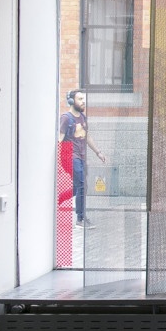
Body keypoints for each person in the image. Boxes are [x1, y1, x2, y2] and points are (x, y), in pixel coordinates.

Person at [58, 89, 106, 228]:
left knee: (78, 187)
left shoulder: (83, 117)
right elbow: (59, 139)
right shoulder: (66, 118)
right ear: (71, 101)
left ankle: (58, 199)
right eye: (80, 99)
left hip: (81, 156)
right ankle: (80, 219)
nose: (83, 102)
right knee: (82, 185)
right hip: (70, 156)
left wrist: (98, 152)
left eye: (84, 99)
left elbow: (87, 136)